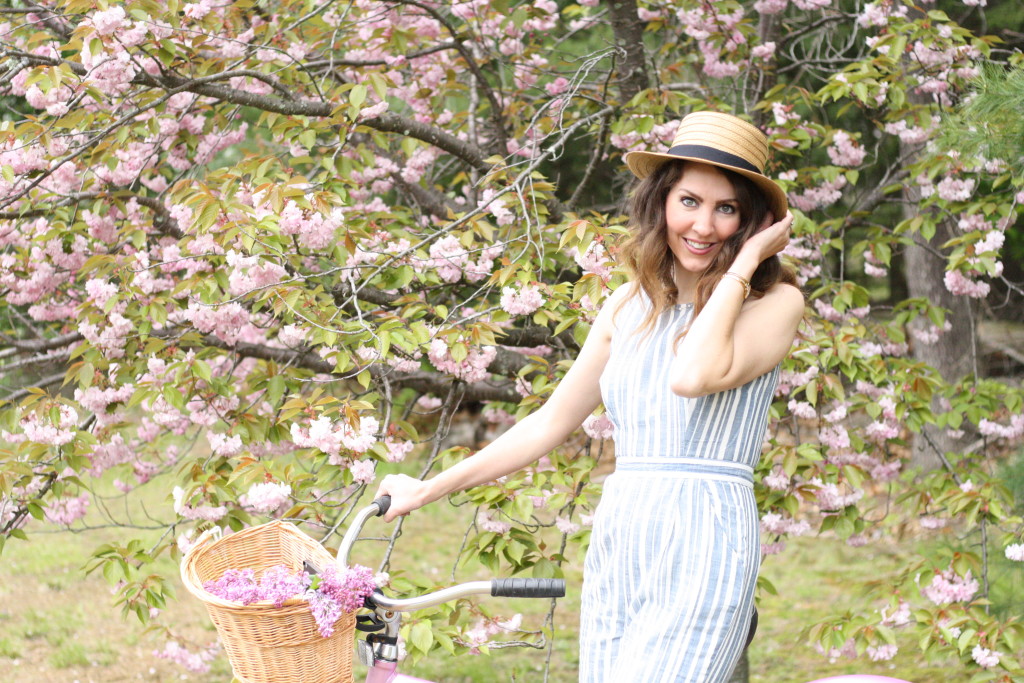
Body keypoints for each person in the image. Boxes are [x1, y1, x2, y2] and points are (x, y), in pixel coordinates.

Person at [375, 110, 805, 682]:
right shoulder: (628, 305)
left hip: (708, 535)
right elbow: (549, 423)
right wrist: (426, 489)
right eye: (689, 201)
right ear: (662, 203)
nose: (703, 225)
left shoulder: (773, 304)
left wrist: (746, 265)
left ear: (752, 222)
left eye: (726, 209)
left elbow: (691, 375)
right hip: (623, 534)